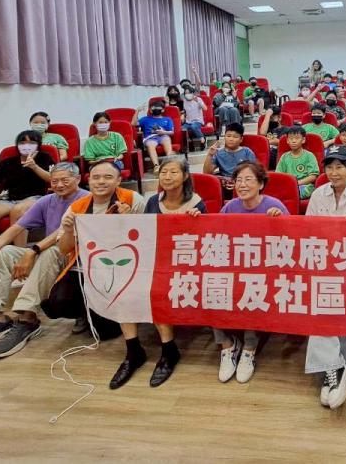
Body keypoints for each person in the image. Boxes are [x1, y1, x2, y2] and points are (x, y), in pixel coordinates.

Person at [0, 162, 88, 358]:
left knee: (50, 252)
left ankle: (27, 318)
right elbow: (15, 229)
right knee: (4, 252)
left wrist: (32, 250)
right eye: (55, 181)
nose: (59, 185)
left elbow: (61, 233)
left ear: (77, 179)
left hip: (72, 258)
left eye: (65, 180)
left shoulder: (86, 199)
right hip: (45, 254)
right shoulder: (47, 201)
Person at [109, 159, 206, 390]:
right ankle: (133, 350)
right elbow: (144, 233)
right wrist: (126, 217)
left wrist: (197, 221)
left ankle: (169, 350)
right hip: (154, 259)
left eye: (174, 172)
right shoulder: (153, 201)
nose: (167, 176)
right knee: (124, 287)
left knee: (156, 288)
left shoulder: (197, 203)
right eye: (164, 172)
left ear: (185, 176)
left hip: (184, 264)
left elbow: (205, 241)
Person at [48, 161, 146, 342]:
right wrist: (68, 231)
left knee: (105, 332)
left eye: (108, 177)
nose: (101, 182)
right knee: (58, 302)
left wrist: (130, 220)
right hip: (84, 268)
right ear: (88, 181)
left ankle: (111, 314)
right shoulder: (77, 207)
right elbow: (64, 249)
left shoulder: (133, 200)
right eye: (96, 177)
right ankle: (86, 311)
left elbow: (147, 239)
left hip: (121, 267)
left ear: (118, 180)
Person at [304, 151, 346, 408]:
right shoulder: (318, 194)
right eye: (330, 167)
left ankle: (332, 369)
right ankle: (339, 366)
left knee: (328, 304)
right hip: (322, 260)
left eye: (339, 167)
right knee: (323, 302)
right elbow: (309, 229)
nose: (334, 173)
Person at [217, 161, 289, 384]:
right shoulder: (230, 207)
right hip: (235, 265)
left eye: (248, 180)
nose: (242, 185)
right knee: (212, 286)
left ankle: (249, 348)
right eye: (238, 180)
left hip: (266, 268)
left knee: (252, 286)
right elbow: (214, 232)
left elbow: (292, 239)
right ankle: (227, 346)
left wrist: (280, 221)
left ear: (260, 184)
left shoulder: (274, 205)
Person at [0, 130, 53, 283]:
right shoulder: (7, 162)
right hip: (9, 198)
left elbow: (53, 179)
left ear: (38, 145)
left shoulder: (45, 158)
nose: (26, 146)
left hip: (35, 198)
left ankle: (18, 259)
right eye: (22, 142)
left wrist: (34, 167)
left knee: (18, 211)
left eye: (31, 142)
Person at [203, 122, 257, 194]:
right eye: (228, 136)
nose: (231, 139)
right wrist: (209, 155)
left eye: (235, 137)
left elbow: (254, 173)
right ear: (224, 137)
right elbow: (207, 173)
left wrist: (239, 182)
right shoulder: (219, 153)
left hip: (243, 184)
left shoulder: (247, 152)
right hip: (225, 185)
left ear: (241, 139)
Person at [276, 126, 320, 199]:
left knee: (299, 192)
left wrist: (296, 183)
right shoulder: (284, 157)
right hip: (288, 185)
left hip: (305, 186)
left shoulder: (309, 155)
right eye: (291, 138)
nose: (293, 141)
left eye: (297, 138)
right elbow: (279, 175)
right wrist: (288, 184)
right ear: (287, 140)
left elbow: (313, 176)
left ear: (303, 140)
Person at [133, 100, 176, 171]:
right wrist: (137, 111)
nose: (156, 109)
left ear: (163, 110)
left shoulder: (167, 119)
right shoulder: (145, 119)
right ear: (150, 110)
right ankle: (156, 166)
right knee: (150, 145)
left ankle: (169, 162)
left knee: (166, 140)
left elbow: (172, 132)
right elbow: (133, 124)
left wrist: (163, 132)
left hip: (163, 135)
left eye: (158, 108)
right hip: (150, 138)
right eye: (153, 108)